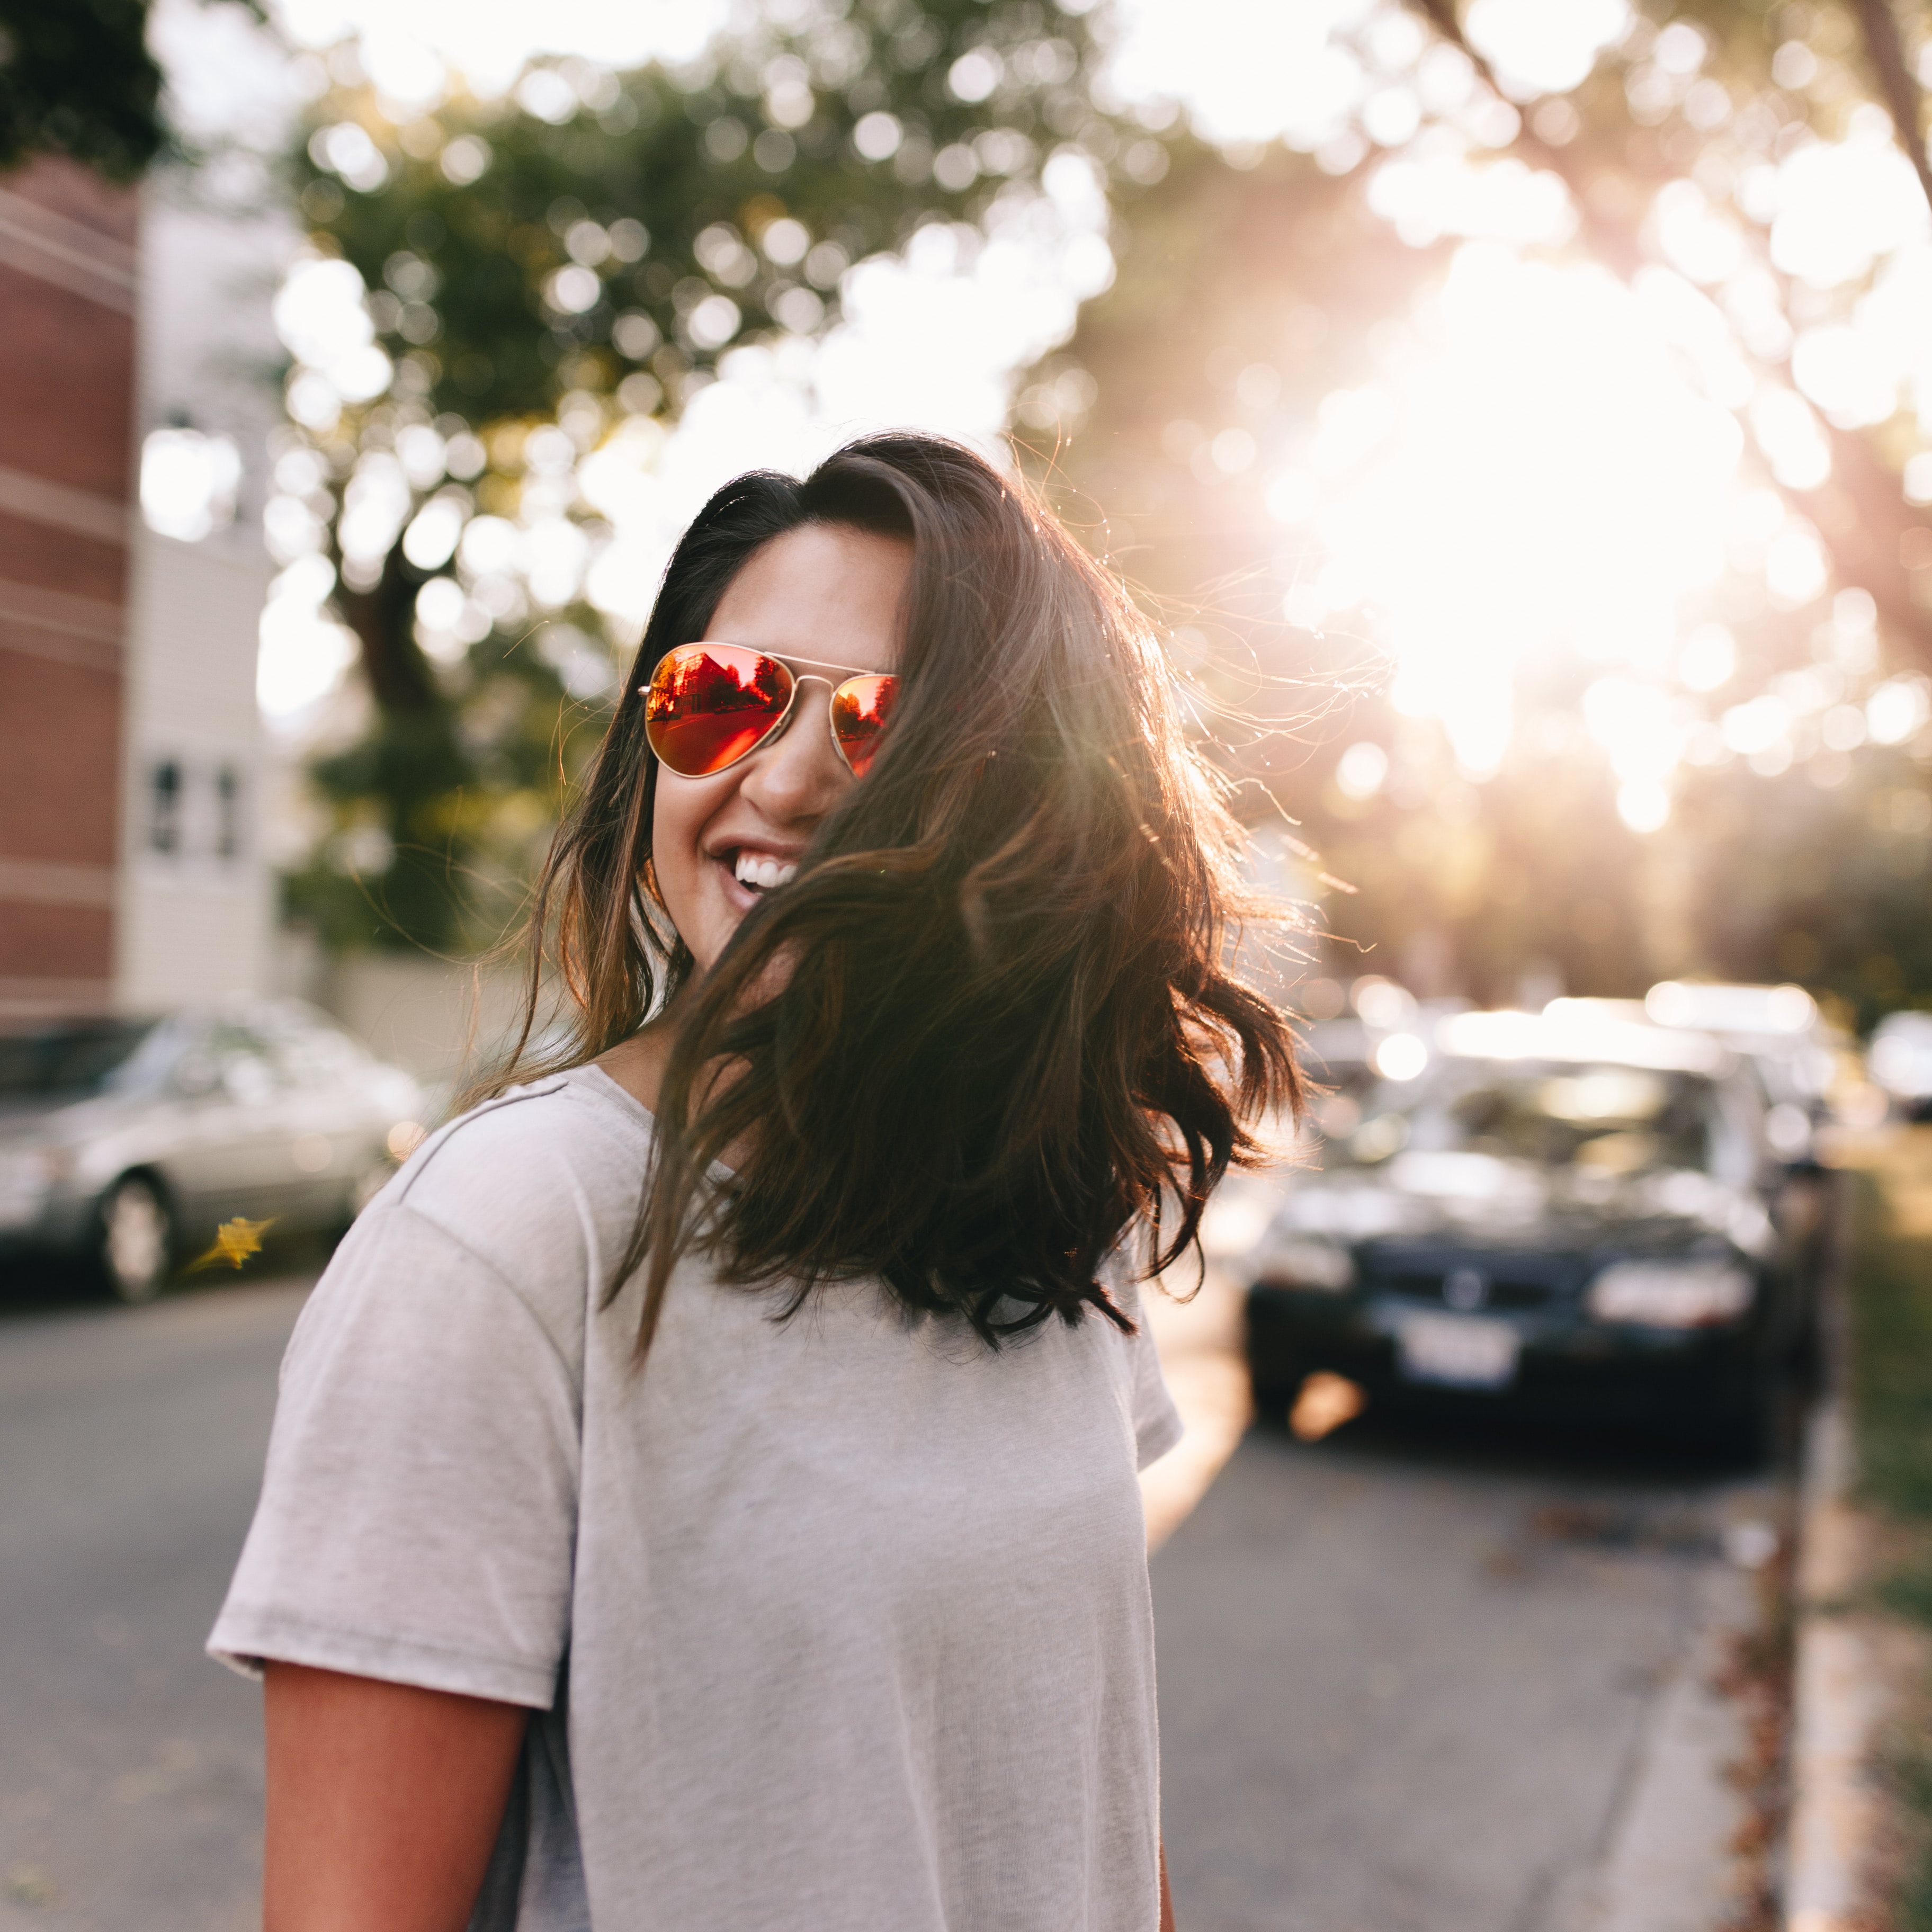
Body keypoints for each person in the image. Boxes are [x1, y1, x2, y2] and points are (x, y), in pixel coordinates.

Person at [210, 432, 1301, 1931]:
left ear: (1033, 804)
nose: (779, 782)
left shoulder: (1049, 1218)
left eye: (880, 728)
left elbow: (1086, 1801)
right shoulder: (504, 1238)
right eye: (722, 701)